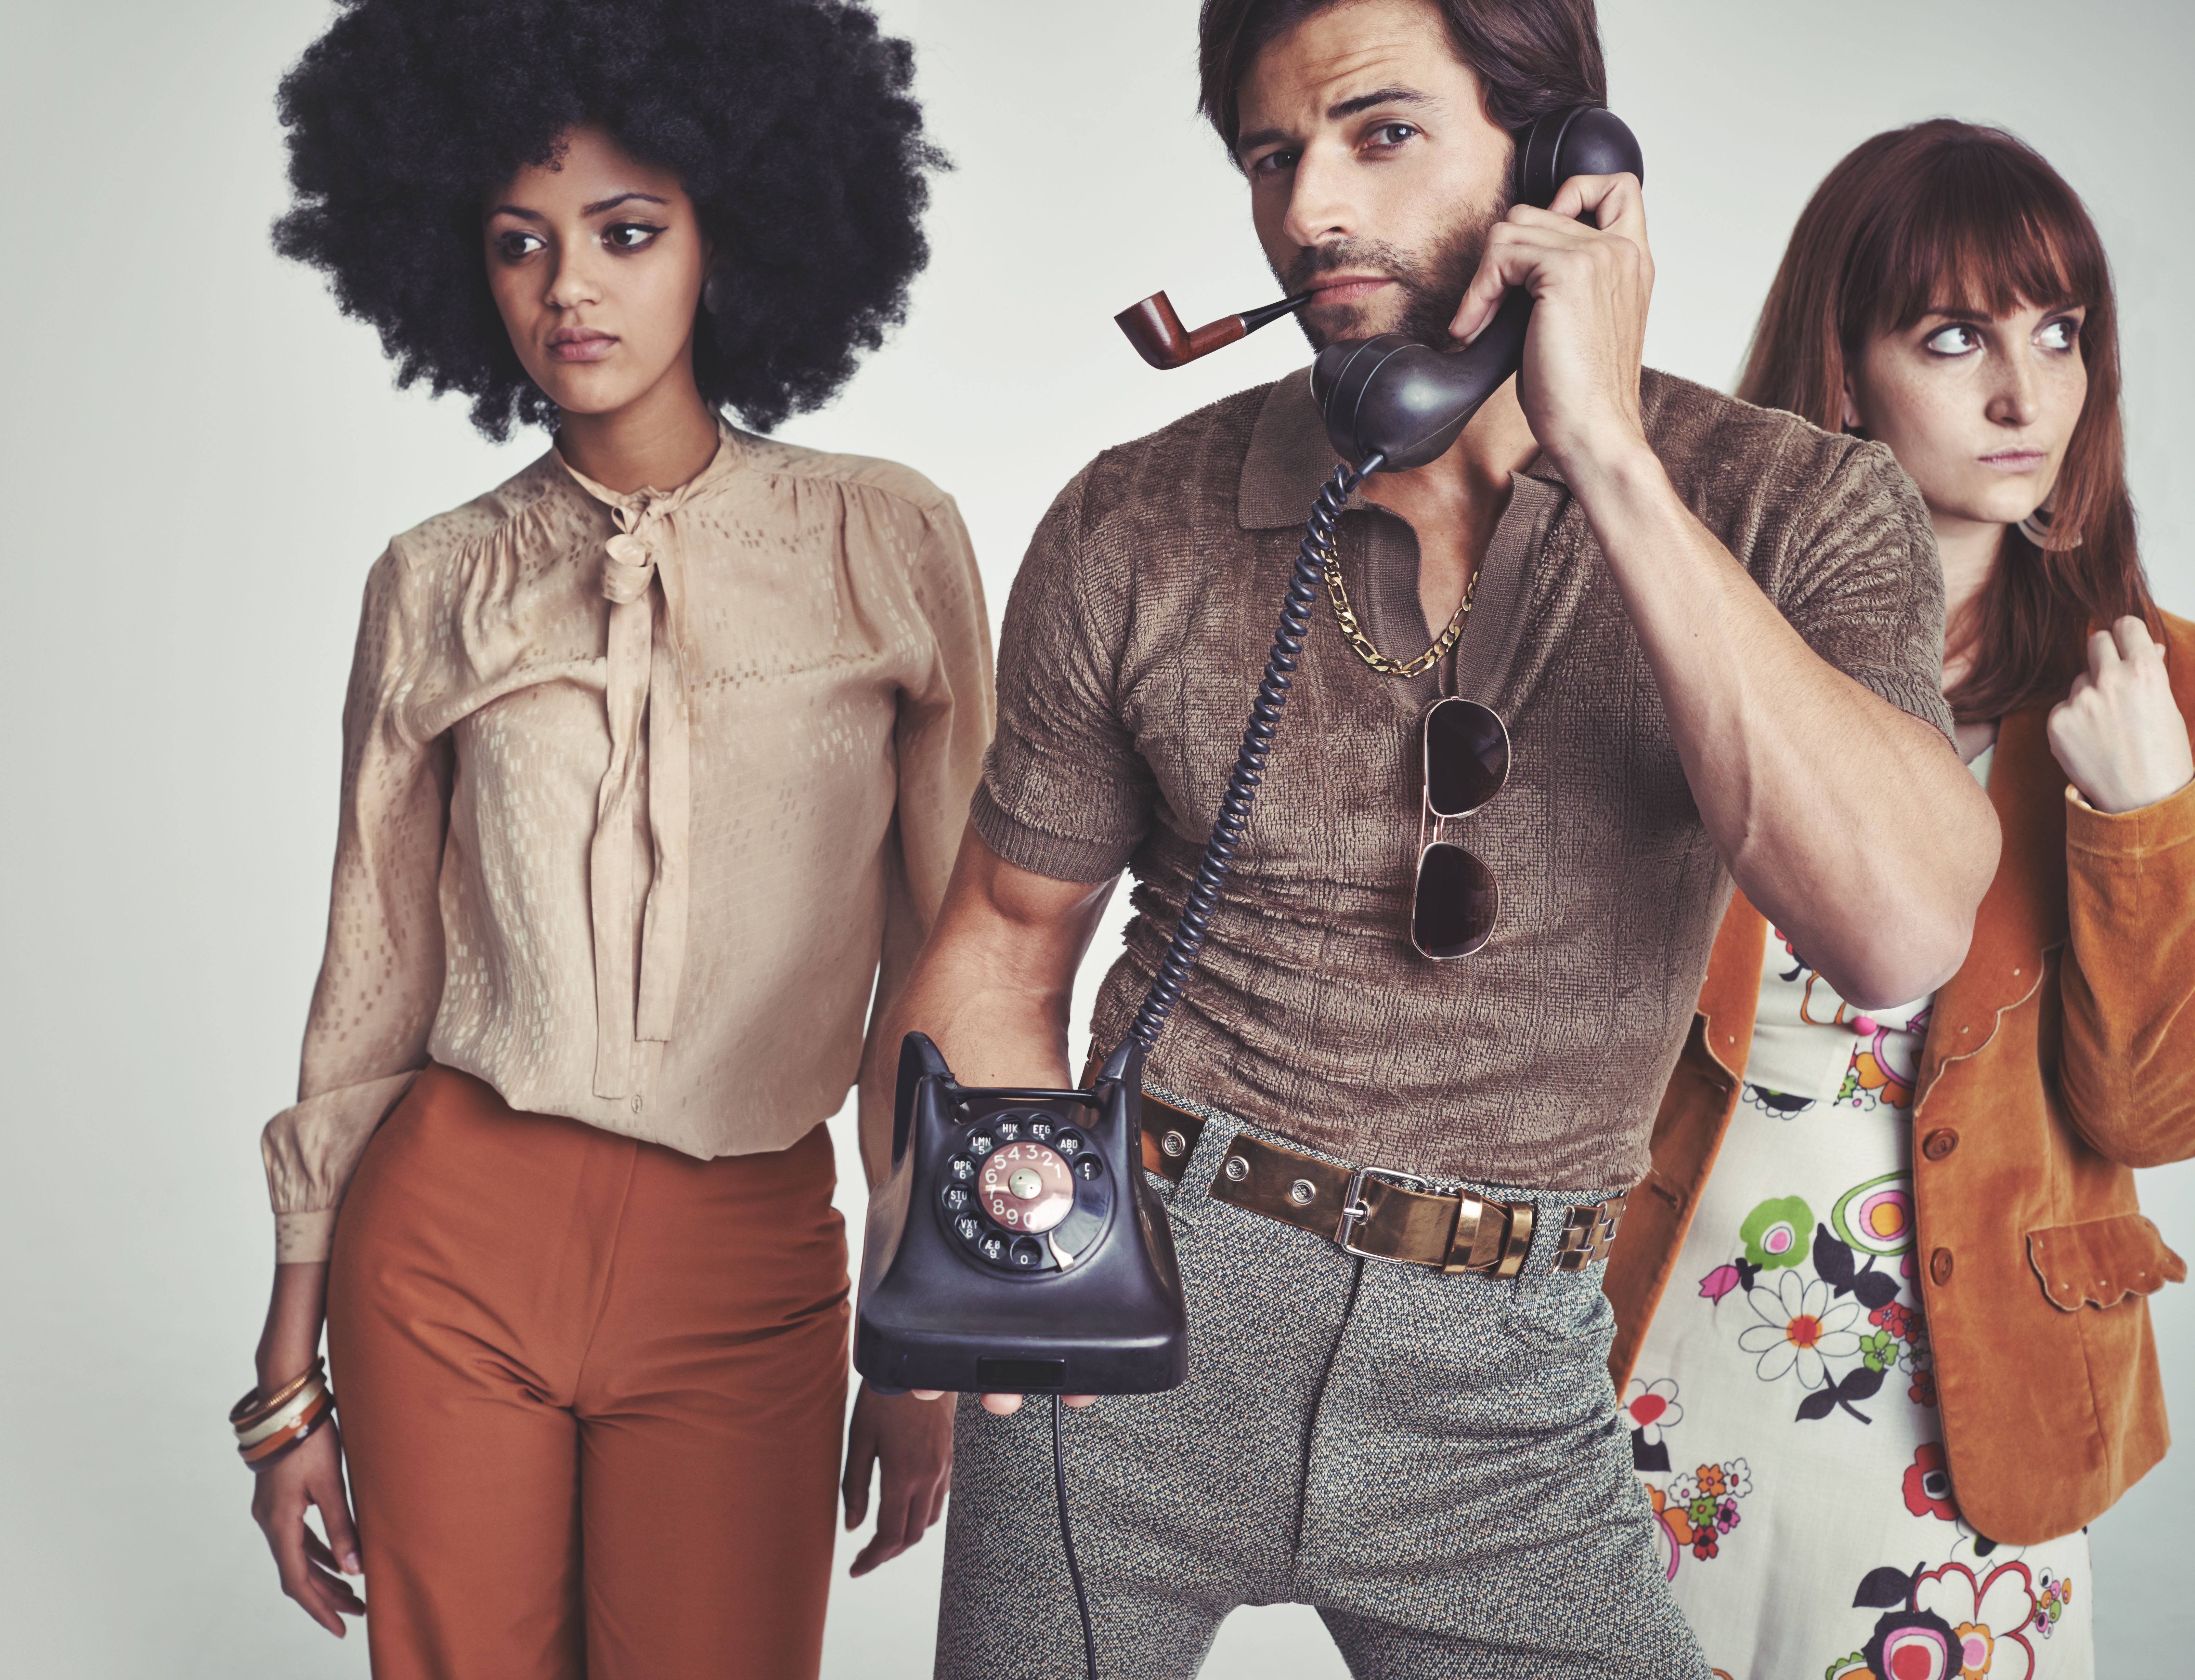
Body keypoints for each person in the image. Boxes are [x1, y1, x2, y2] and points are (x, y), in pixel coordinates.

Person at [882, 0, 2002, 1675]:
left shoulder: (1795, 505)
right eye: (1273, 156)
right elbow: (1003, 931)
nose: (1311, 208)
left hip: (1504, 1374)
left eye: (1379, 133)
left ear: (1565, 164)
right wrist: (976, 1270)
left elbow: (1898, 927)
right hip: (1140, 1305)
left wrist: (1608, 453)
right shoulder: (1134, 513)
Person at [236, 3, 987, 1674]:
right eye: (521, 245)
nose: (569, 287)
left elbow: (958, 972)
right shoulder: (434, 578)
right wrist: (287, 1372)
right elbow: (373, 971)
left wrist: (928, 1325)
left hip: (751, 1260)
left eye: (625, 231)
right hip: (449, 1242)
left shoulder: (889, 544)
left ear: (734, 232)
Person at [1602, 119, 2195, 1680]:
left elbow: (2154, 1114)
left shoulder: (2163, 691)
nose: (2025, 395)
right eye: (1956, 337)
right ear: (1845, 371)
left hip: (1970, 1420)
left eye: (2058, 333)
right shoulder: (1688, 647)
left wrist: (2137, 819)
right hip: (1649, 1365)